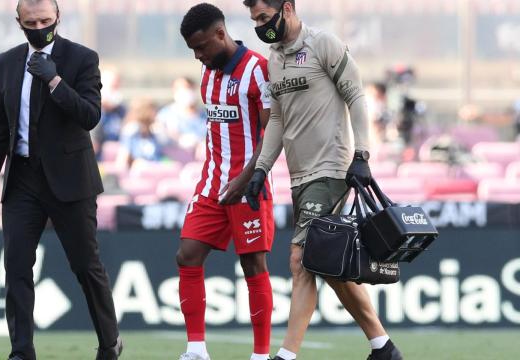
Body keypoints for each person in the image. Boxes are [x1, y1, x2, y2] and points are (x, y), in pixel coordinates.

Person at [243, 1, 403, 360]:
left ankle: (286, 355)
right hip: (299, 175)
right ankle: (383, 346)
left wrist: (361, 154)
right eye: (254, 20)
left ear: (286, 8)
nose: (259, 26)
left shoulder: (323, 44)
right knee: (326, 262)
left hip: (331, 168)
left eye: (264, 18)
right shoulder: (274, 58)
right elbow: (278, 120)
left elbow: (356, 95)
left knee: (300, 260)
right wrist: (261, 169)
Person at [0, 1, 122, 359]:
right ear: (19, 23)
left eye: (45, 21)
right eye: (31, 22)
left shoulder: (82, 58)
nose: (39, 27)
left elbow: (89, 116)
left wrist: (54, 79)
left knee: (86, 265)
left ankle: (109, 343)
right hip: (22, 178)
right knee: (17, 267)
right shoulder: (6, 62)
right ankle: (21, 352)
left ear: (58, 18)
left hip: (70, 180)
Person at [176, 3, 275, 360]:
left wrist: (246, 177)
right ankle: (196, 350)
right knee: (187, 256)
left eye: (201, 47)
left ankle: (261, 355)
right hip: (212, 185)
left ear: (221, 34)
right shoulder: (208, 74)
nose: (198, 56)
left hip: (249, 189)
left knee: (253, 266)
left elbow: (272, 131)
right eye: (193, 50)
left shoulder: (258, 69)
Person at [156, 77, 207, 156]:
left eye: (189, 88)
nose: (186, 91)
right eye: (181, 88)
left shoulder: (205, 116)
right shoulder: (165, 115)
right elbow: (159, 136)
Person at [116, 97, 164, 169]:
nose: (156, 114)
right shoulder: (131, 133)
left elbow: (160, 157)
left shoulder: (154, 134)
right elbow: (122, 162)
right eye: (153, 111)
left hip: (155, 172)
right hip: (138, 176)